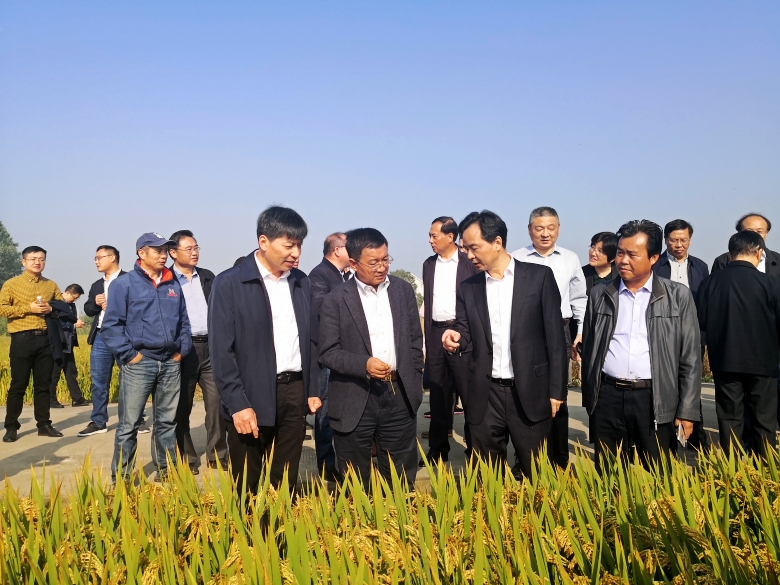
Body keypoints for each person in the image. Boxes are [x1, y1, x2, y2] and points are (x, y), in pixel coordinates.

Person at [442, 211, 566, 479]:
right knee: (487, 477)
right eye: (465, 249)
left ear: (497, 242)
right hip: (485, 395)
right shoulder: (468, 287)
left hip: (529, 392)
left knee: (538, 475)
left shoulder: (539, 277)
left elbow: (556, 339)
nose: (468, 255)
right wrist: (455, 336)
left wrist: (557, 391)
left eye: (474, 247)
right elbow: (465, 328)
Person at [210, 206, 319, 492]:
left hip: (293, 392)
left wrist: (312, 388)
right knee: (247, 482)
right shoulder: (230, 283)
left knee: (285, 480)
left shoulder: (301, 282)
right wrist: (238, 404)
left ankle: (282, 522)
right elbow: (221, 352)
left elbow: (310, 339)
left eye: (299, 245)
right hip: (250, 393)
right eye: (289, 245)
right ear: (263, 242)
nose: (296, 253)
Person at [580, 220, 701, 471]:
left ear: (654, 257)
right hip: (608, 396)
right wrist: (591, 398)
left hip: (654, 398)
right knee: (609, 473)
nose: (623, 260)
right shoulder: (600, 295)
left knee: (658, 473)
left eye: (632, 254)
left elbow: (690, 358)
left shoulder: (678, 296)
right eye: (620, 253)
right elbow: (591, 348)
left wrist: (687, 410)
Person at [318, 228, 424, 485]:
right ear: (353, 263)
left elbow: (414, 340)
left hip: (399, 394)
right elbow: (327, 352)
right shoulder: (336, 299)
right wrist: (363, 364)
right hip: (355, 396)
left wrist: (414, 375)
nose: (382, 267)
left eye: (386, 259)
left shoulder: (402, 291)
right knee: (356, 479)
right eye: (373, 262)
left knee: (400, 477)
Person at [102, 233, 192, 482]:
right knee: (128, 425)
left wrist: (181, 351)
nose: (163, 255)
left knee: (167, 422)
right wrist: (130, 355)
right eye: (157, 250)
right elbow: (111, 326)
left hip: (170, 362)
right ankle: (122, 478)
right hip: (140, 364)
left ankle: (166, 472)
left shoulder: (173, 283)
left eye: (165, 250)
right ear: (141, 253)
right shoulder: (124, 284)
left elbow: (184, 322)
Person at [511, 206, 586, 468]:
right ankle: (525, 459)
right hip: (526, 332)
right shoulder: (515, 258)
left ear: (558, 229)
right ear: (529, 229)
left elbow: (579, 298)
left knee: (558, 393)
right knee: (525, 392)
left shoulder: (570, 258)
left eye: (551, 228)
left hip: (560, 330)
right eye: (539, 228)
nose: (545, 233)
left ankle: (559, 458)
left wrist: (579, 331)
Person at [697, 231, 780, 456]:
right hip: (764, 363)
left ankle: (732, 468)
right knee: (764, 419)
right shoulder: (771, 283)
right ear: (758, 253)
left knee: (729, 419)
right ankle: (765, 468)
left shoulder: (710, 282)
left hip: (725, 360)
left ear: (730, 253)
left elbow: (701, 320)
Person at [168, 229, 226, 474]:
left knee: (217, 402)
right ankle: (188, 458)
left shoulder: (208, 276)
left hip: (211, 347)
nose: (194, 252)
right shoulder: (166, 280)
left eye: (196, 248)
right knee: (182, 406)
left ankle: (218, 454)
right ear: (173, 253)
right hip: (183, 350)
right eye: (189, 248)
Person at [421, 216, 477, 465]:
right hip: (435, 333)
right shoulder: (429, 264)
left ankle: (474, 449)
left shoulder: (468, 263)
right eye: (430, 235)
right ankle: (437, 449)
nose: (430, 240)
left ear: (450, 237)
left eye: (434, 235)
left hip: (461, 332)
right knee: (438, 394)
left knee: (468, 393)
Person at [652, 219, 710, 449]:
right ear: (666, 240)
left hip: (692, 333)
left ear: (690, 240)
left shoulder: (700, 266)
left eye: (683, 240)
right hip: (662, 334)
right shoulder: (656, 265)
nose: (679, 245)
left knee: (691, 384)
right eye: (674, 240)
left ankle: (696, 439)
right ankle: (666, 438)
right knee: (665, 386)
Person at [1, 246, 65, 442]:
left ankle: (44, 424)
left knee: (43, 385)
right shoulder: (12, 284)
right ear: (24, 262)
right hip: (22, 339)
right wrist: (28, 308)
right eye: (33, 258)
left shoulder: (50, 285)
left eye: (42, 259)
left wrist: (50, 309)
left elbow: (63, 308)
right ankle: (11, 426)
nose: (38, 262)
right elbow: (2, 309)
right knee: (18, 385)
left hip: (46, 339)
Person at [309, 232, 351, 482]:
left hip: (343, 353)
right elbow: (320, 307)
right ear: (337, 250)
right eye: (349, 247)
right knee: (325, 412)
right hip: (327, 355)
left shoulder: (343, 275)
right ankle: (326, 464)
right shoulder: (320, 275)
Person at [78, 246, 133, 437]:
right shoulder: (97, 285)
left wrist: (119, 306)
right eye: (95, 258)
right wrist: (95, 303)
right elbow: (88, 310)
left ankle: (135, 419)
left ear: (112, 257)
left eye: (99, 258)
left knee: (131, 379)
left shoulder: (130, 279)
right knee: (99, 381)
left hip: (124, 335)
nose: (96, 261)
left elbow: (139, 307)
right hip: (101, 336)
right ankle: (98, 421)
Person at [50, 284, 89, 408]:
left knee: (71, 371)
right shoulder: (56, 304)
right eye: (74, 297)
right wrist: (73, 325)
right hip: (58, 343)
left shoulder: (71, 305)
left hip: (68, 343)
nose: (75, 300)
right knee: (54, 373)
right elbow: (56, 324)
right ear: (67, 293)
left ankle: (77, 398)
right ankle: (50, 399)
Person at [711, 213, 780, 276]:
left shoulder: (777, 259)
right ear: (739, 233)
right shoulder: (723, 261)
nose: (754, 235)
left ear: (766, 233)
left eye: (759, 231)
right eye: (749, 231)